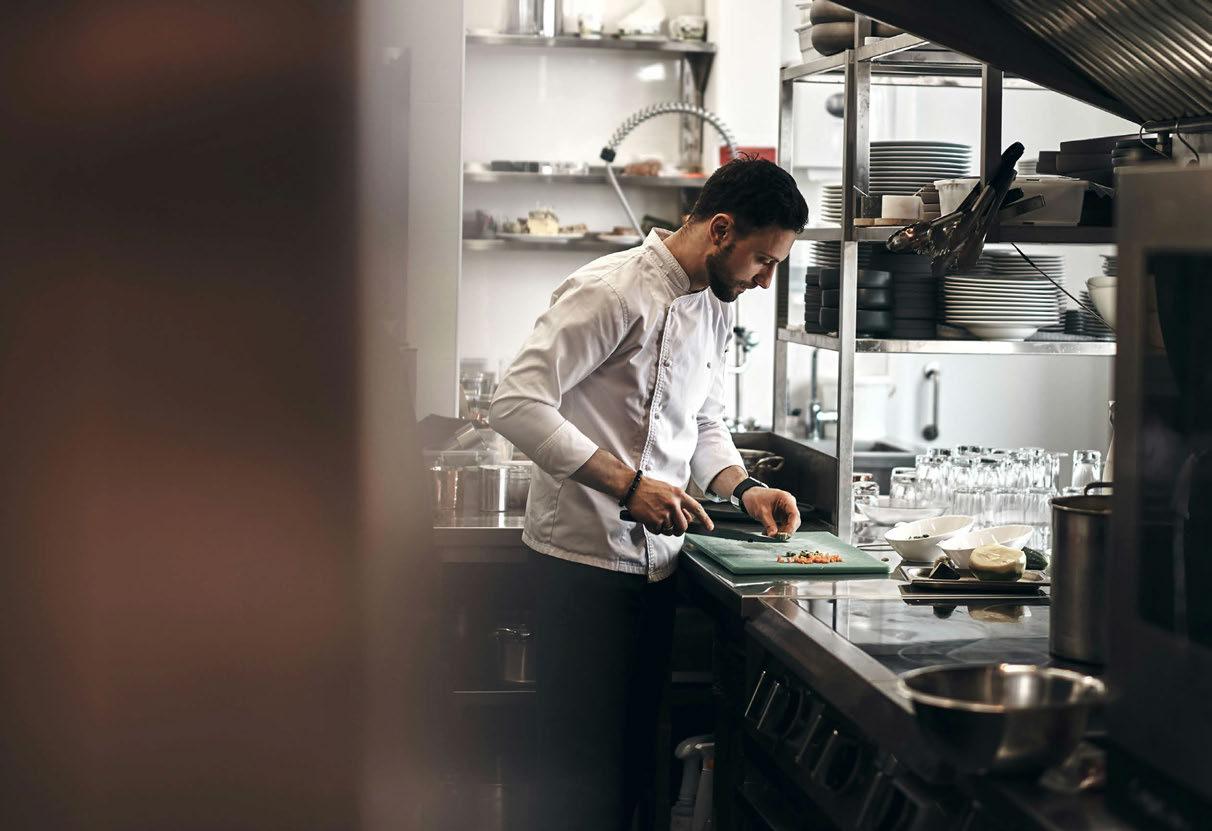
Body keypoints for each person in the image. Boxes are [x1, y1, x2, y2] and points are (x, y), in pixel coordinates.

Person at [489, 157, 809, 830]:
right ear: (720, 229)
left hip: (658, 570)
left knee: (630, 772)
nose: (765, 279)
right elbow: (516, 403)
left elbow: (702, 421)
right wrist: (628, 485)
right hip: (579, 566)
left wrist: (744, 487)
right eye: (763, 260)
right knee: (574, 780)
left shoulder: (714, 305)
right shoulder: (610, 291)